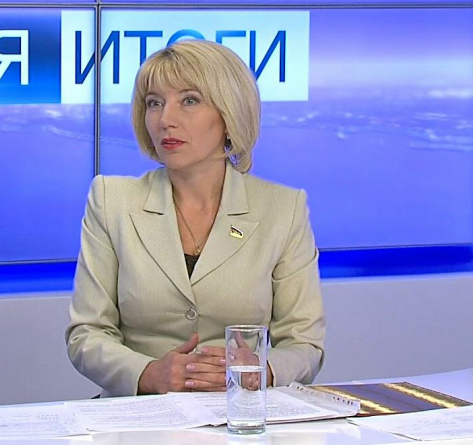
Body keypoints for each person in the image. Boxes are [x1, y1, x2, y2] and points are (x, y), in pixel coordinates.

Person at [65, 39, 325, 397]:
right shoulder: (112, 200)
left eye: (189, 101)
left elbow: (305, 345)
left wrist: (260, 371)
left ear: (230, 114)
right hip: (139, 412)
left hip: (238, 411)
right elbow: (87, 334)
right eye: (154, 103)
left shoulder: (283, 208)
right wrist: (147, 374)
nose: (165, 120)